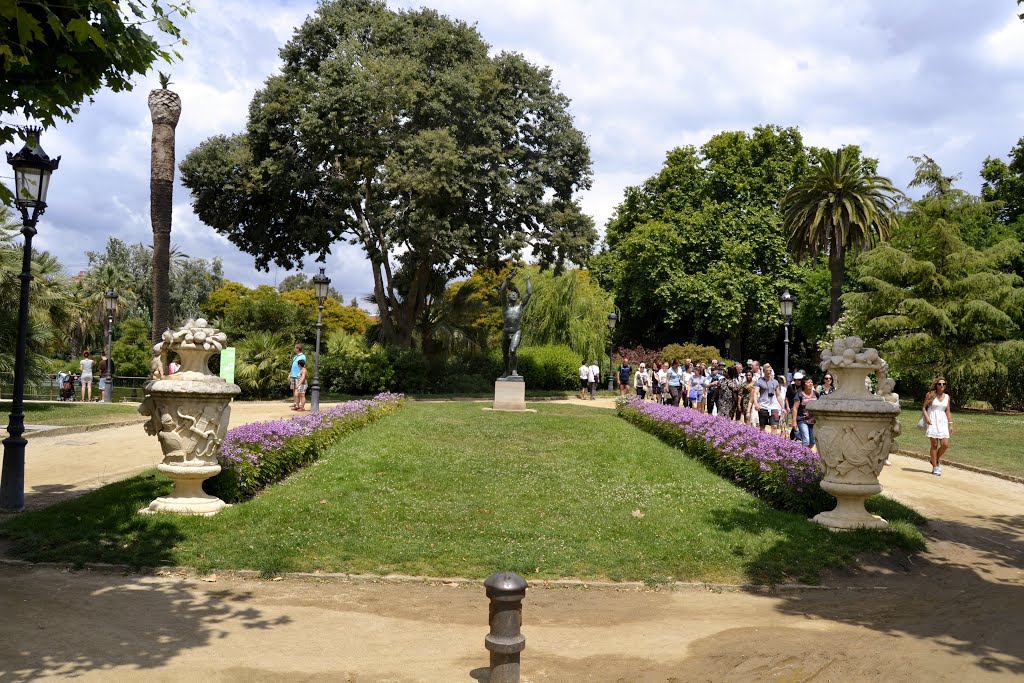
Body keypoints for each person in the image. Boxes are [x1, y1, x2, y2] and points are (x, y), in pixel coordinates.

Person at [497, 267, 532, 377]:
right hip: (505, 332)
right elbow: (502, 289)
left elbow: (529, 292)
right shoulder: (505, 306)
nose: (513, 295)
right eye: (511, 294)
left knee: (512, 350)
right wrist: (509, 277)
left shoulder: (520, 307)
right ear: (508, 297)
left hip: (516, 332)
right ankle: (506, 371)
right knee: (504, 354)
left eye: (515, 295)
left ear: (517, 298)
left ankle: (514, 370)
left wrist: (527, 280)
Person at [922, 376, 953, 476]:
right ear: (936, 385)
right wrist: (927, 417)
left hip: (942, 421)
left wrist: (951, 424)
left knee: (945, 444)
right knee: (934, 445)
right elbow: (923, 407)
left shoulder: (947, 397)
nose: (942, 386)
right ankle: (935, 467)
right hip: (932, 420)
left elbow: (948, 411)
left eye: (944, 384)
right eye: (940, 384)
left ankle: (934, 459)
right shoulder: (931, 395)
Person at [754, 365, 786, 435]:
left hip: (774, 407)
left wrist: (783, 407)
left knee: (775, 426)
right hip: (763, 407)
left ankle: (773, 442)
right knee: (762, 426)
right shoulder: (759, 381)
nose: (768, 372)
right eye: (767, 371)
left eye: (770, 371)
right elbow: (755, 393)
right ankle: (761, 441)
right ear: (764, 371)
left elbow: (778, 395)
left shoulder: (775, 382)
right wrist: (756, 403)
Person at [793, 375, 819, 449]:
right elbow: (795, 408)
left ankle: (805, 455)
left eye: (811, 382)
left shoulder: (816, 394)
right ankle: (805, 458)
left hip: (813, 421)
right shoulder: (799, 395)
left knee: (812, 442)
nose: (810, 384)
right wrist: (794, 421)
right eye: (808, 382)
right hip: (802, 420)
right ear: (804, 384)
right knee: (806, 441)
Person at [290, 344, 306, 409]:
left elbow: (303, 365)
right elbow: (293, 365)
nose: (294, 349)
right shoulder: (295, 356)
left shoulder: (302, 356)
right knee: (294, 389)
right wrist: (290, 374)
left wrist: (301, 374)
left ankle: (300, 404)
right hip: (293, 375)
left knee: (299, 391)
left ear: (298, 349)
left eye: (295, 348)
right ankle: (295, 403)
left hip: (298, 375)